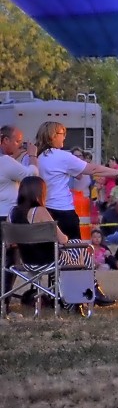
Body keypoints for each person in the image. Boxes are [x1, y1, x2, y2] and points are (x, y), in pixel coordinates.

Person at [8, 176, 111, 306]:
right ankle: (84, 294)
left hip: (27, 262)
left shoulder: (12, 213)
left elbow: (10, 243)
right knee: (80, 247)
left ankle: (78, 297)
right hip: (49, 262)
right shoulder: (40, 211)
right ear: (39, 192)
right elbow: (62, 239)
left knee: (76, 251)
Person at [35, 122, 118, 242]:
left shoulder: (34, 157)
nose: (65, 137)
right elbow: (92, 169)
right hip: (63, 211)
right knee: (74, 251)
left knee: (50, 253)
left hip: (42, 211)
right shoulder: (62, 156)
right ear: (53, 136)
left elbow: (79, 175)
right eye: (62, 133)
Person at [1, 126, 38, 301]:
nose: (19, 146)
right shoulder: (6, 163)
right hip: (7, 219)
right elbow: (31, 175)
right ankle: (5, 305)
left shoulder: (6, 162)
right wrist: (32, 155)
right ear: (5, 140)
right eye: (17, 141)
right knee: (10, 263)